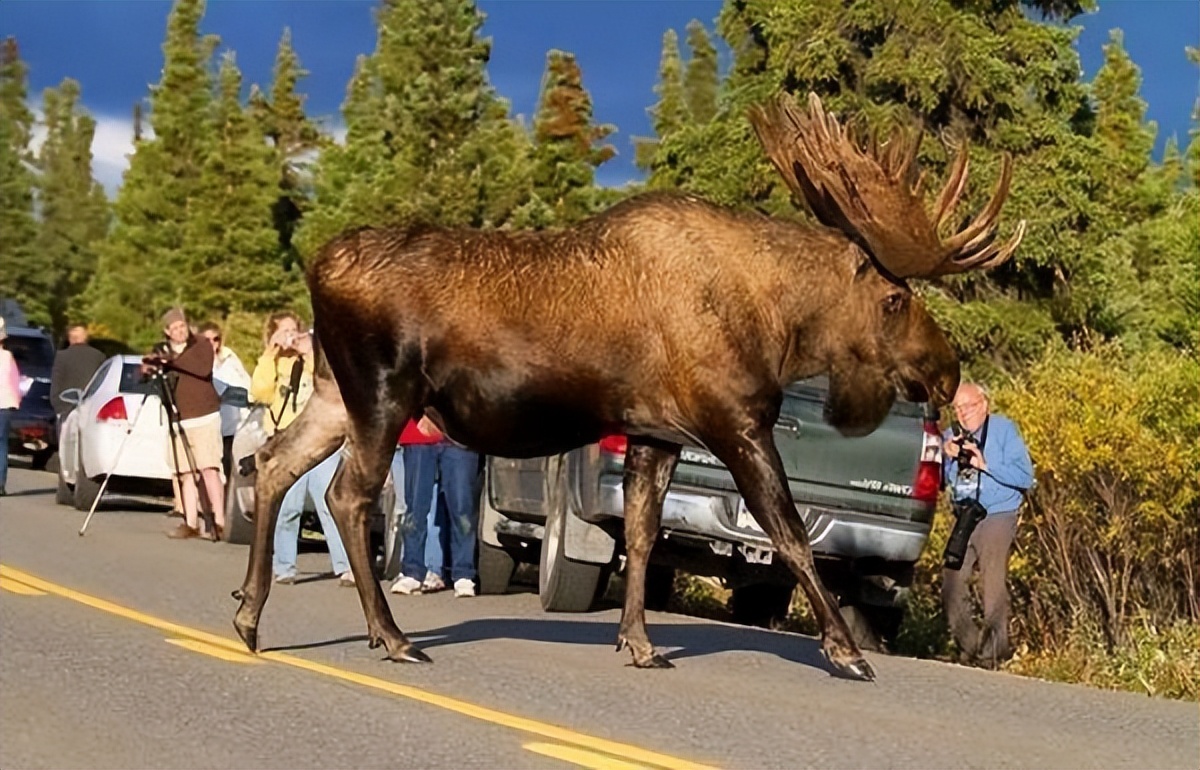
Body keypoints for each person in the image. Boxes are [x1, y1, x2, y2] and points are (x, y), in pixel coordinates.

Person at [251, 311, 353, 587]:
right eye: (283, 332)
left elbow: (329, 386)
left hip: (319, 438)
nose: (290, 338)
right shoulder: (274, 361)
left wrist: (309, 354)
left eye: (294, 331)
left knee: (330, 504)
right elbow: (259, 392)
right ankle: (284, 566)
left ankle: (345, 565)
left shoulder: (315, 358)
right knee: (287, 506)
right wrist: (270, 354)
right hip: (288, 440)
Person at [941, 381, 1033, 667]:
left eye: (968, 406)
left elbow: (1025, 476)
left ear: (983, 404)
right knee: (951, 578)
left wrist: (986, 464)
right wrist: (947, 458)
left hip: (998, 511)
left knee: (991, 581)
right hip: (966, 513)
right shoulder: (951, 435)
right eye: (957, 407)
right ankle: (970, 644)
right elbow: (943, 481)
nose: (963, 413)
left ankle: (993, 651)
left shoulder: (1004, 430)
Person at [148, 307, 227, 541]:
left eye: (182, 326)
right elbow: (148, 378)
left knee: (209, 468)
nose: (180, 331)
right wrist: (151, 365)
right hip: (178, 418)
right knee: (185, 473)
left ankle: (219, 521)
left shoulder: (201, 345)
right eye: (174, 328)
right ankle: (190, 522)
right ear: (167, 331)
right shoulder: (164, 352)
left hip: (205, 416)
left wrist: (170, 361)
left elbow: (202, 369)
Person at [390, 414, 481, 598]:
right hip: (419, 432)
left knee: (462, 507)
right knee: (415, 506)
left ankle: (464, 573)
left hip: (460, 434)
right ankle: (412, 570)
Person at [198, 321, 251, 478]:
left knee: (236, 468)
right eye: (208, 340)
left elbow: (247, 383)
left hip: (239, 424)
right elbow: (218, 390)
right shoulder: (199, 363)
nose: (213, 343)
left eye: (216, 339)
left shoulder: (229, 358)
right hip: (216, 425)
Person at [49, 323, 106, 435]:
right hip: (91, 408)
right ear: (85, 337)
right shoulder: (99, 356)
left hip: (66, 408)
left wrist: (58, 406)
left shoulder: (62, 356)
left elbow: (56, 383)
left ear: (70, 339)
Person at [0, 318, 21, 496]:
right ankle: (0, 484)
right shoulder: (8, 357)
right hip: (4, 404)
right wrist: (16, 401)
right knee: (1, 444)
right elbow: (15, 382)